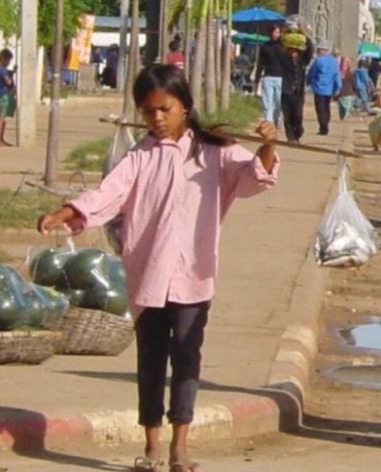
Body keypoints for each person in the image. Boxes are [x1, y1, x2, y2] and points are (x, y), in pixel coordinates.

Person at [36, 64, 279, 472]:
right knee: (150, 358)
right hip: (147, 273)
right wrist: (67, 211)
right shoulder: (140, 155)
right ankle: (151, 445)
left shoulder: (214, 152)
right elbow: (108, 194)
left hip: (193, 274)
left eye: (164, 109)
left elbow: (255, 176)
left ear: (185, 106)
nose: (157, 119)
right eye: (148, 112)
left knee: (186, 357)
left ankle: (179, 446)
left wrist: (267, 147)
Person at [280, 32, 314, 142]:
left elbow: (310, 51)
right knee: (287, 115)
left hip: (298, 92)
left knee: (298, 114)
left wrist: (306, 37)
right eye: (291, 50)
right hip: (286, 91)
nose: (293, 53)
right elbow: (280, 48)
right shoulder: (284, 60)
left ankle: (298, 132)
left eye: (295, 50)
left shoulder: (302, 61)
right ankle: (290, 137)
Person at [307, 39, 342, 136]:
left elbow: (312, 73)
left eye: (318, 50)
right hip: (329, 89)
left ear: (322, 50)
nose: (317, 52)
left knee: (320, 109)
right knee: (326, 108)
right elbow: (337, 75)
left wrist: (308, 81)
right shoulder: (334, 61)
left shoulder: (318, 61)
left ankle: (323, 127)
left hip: (319, 88)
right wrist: (338, 87)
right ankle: (325, 124)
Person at [254, 25, 286, 127]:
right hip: (268, 77)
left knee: (278, 102)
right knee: (267, 102)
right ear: (270, 33)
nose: (276, 34)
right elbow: (260, 64)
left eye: (278, 32)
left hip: (281, 78)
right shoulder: (265, 47)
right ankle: (269, 122)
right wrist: (257, 79)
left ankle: (277, 119)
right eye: (274, 32)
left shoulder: (283, 47)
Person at [0, 48, 14, 146]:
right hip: (3, 95)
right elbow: (8, 82)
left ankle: (1, 139)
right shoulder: (2, 70)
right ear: (4, 58)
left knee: (3, 120)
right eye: (8, 60)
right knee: (1, 119)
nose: (9, 62)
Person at [337, 55, 357, 121]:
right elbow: (353, 83)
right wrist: (355, 90)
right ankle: (345, 118)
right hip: (348, 92)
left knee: (341, 107)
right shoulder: (350, 73)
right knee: (347, 107)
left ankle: (342, 118)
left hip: (341, 92)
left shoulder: (338, 73)